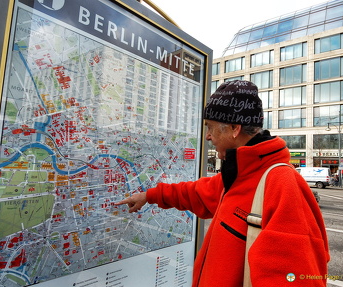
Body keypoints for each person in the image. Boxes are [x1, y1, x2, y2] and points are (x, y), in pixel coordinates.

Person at [115, 80, 330, 286]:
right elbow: (194, 193)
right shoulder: (236, 177)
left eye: (211, 127)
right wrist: (149, 196)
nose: (207, 136)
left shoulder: (282, 185)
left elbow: (295, 279)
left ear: (234, 128)